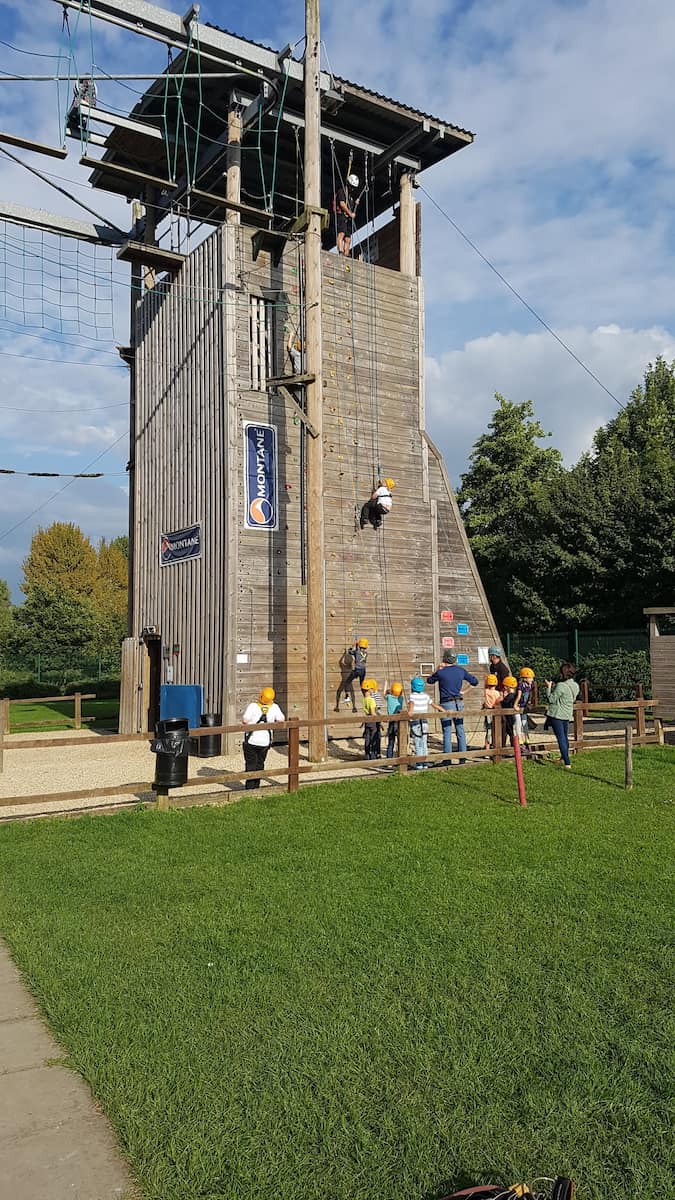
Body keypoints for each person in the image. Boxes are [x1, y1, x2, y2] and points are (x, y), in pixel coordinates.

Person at [426, 650, 479, 761]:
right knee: (460, 729)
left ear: (444, 659)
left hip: (446, 703)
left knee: (447, 731)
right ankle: (462, 757)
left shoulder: (441, 672)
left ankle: (447, 759)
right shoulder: (461, 670)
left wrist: (437, 669)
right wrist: (464, 691)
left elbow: (429, 680)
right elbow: (475, 681)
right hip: (458, 702)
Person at [241, 686, 285, 789]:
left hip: (251, 741)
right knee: (260, 764)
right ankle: (257, 786)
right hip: (265, 742)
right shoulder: (274, 707)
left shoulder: (253, 706)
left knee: (250, 764)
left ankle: (249, 789)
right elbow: (281, 719)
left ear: (261, 696)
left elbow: (245, 720)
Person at [545, 663, 580, 769]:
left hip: (557, 715)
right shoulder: (575, 685)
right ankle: (563, 758)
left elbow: (551, 699)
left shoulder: (561, 686)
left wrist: (549, 687)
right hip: (567, 714)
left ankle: (567, 762)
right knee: (564, 737)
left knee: (561, 738)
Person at [407, 676, 444, 769]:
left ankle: (419, 764)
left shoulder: (412, 696)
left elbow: (411, 703)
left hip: (415, 722)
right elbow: (433, 704)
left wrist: (410, 712)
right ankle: (425, 763)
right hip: (424, 722)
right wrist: (442, 710)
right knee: (424, 742)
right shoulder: (426, 696)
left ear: (413, 686)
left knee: (417, 742)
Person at [335, 173, 359, 256]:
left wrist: (355, 204)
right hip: (341, 215)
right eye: (351, 187)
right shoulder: (341, 191)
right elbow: (342, 204)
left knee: (348, 238)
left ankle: (346, 254)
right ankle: (341, 252)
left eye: (354, 188)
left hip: (348, 218)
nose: (352, 189)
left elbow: (350, 209)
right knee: (341, 233)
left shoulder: (350, 198)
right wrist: (350, 213)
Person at [514, 667, 536, 753]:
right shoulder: (520, 685)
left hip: (523, 707)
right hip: (519, 706)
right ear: (525, 678)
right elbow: (519, 696)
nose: (532, 679)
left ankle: (527, 740)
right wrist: (515, 705)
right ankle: (519, 741)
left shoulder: (530, 685)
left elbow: (530, 695)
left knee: (525, 723)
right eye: (530, 678)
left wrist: (529, 702)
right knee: (518, 723)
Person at [361, 679, 382, 759]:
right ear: (370, 689)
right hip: (373, 722)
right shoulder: (371, 700)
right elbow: (373, 713)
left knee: (367, 738)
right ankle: (373, 756)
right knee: (374, 737)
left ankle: (367, 755)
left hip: (367, 720)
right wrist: (381, 719)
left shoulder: (364, 700)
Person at [482, 673, 502, 750]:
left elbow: (485, 687)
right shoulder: (497, 693)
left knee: (488, 730)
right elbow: (498, 702)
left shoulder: (485, 691)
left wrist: (485, 680)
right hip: (494, 711)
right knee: (495, 729)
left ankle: (487, 748)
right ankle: (494, 746)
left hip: (487, 711)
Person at [385, 681, 404, 759]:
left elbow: (385, 694)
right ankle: (400, 756)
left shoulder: (389, 697)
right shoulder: (401, 698)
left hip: (391, 721)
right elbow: (400, 694)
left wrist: (386, 685)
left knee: (391, 741)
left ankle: (389, 758)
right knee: (400, 740)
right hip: (399, 721)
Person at [500, 675, 519, 746]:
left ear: (506, 687)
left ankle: (506, 747)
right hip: (511, 717)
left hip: (508, 718)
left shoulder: (509, 696)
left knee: (507, 733)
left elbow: (503, 703)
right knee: (510, 732)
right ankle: (512, 747)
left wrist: (502, 697)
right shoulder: (514, 695)